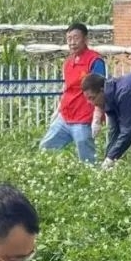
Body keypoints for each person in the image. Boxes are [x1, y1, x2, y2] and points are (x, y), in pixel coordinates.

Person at [39, 22, 106, 165]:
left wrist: (97, 118)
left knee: (87, 160)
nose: (72, 42)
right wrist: (57, 110)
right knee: (45, 148)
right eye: (69, 39)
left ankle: (92, 182)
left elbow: (100, 90)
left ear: (85, 39)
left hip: (83, 119)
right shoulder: (68, 63)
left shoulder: (94, 61)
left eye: (76, 38)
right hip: (65, 117)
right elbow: (66, 88)